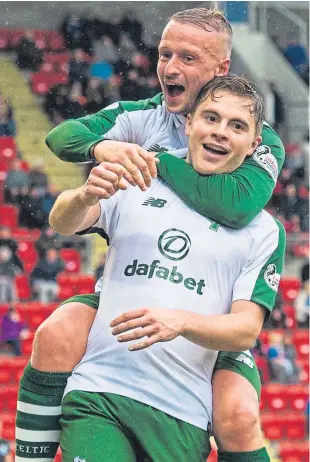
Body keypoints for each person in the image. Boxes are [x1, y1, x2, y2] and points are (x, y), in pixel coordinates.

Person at [16, 8, 285, 462]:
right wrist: (102, 150)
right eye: (165, 54)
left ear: (221, 68)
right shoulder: (141, 117)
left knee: (237, 414)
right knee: (57, 333)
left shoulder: (263, 140)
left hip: (207, 317)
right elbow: (63, 139)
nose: (172, 68)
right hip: (130, 299)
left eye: (188, 58)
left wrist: (157, 161)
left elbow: (234, 205)